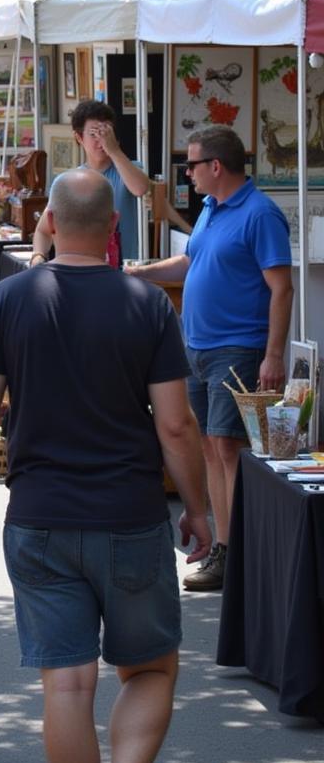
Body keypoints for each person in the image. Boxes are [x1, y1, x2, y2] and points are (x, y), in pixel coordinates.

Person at [0, 168, 211, 763]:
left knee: (66, 682)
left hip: (39, 516)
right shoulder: (146, 305)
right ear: (114, 228)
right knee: (150, 671)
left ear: (50, 223)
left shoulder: (10, 299)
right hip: (131, 516)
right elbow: (177, 426)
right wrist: (198, 508)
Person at [126, 126, 292, 592]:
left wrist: (273, 355)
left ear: (215, 166)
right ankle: (224, 548)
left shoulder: (260, 214)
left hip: (237, 347)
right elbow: (190, 265)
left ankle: (234, 554)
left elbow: (282, 288)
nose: (188, 174)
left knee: (227, 448)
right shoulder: (211, 209)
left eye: (192, 164)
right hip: (198, 347)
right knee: (210, 447)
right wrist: (140, 274)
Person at [30, 100, 150, 266]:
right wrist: (38, 257)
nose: (101, 141)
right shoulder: (68, 181)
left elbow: (140, 188)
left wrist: (114, 150)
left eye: (106, 133)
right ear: (79, 137)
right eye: (94, 134)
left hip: (124, 272)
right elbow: (44, 230)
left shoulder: (129, 168)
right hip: (80, 272)